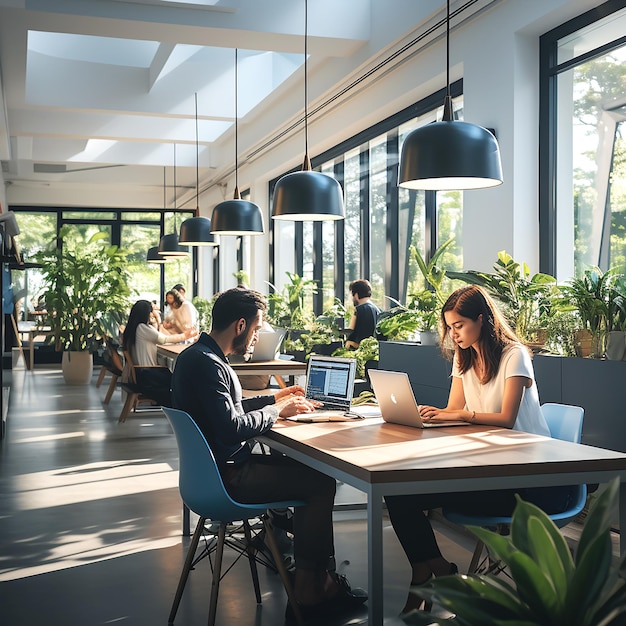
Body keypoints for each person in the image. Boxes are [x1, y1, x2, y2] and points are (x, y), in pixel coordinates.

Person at [170, 288, 367, 621]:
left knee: (306, 471)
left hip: (211, 475)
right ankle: (311, 588)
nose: (257, 337)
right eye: (257, 329)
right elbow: (231, 427)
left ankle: (315, 576)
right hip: (229, 478)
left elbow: (225, 411)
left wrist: (274, 400)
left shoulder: (199, 356)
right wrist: (279, 412)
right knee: (320, 483)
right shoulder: (209, 364)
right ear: (241, 324)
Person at [384, 285, 575, 616]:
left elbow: (505, 418)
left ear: (481, 319)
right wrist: (433, 418)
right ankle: (432, 568)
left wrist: (458, 415)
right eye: (450, 327)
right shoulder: (464, 355)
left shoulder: (515, 354)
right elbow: (454, 408)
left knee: (406, 495)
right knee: (397, 493)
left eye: (459, 326)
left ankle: (435, 575)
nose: (453, 334)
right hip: (486, 464)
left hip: (526, 477)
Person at [122, 300, 197, 406]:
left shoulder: (134, 328)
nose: (153, 313)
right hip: (148, 374)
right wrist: (185, 336)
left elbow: (158, 334)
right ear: (146, 313)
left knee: (177, 379)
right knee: (180, 381)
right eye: (151, 311)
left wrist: (157, 320)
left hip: (142, 373)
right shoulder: (142, 328)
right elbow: (163, 339)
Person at [345, 279, 380, 349]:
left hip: (358, 351)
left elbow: (350, 332)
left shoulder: (359, 310)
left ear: (356, 295)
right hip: (374, 350)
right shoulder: (377, 310)